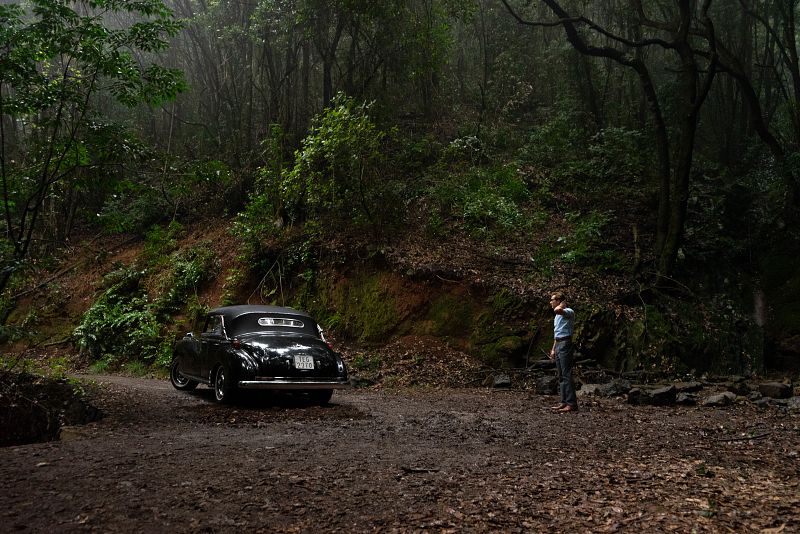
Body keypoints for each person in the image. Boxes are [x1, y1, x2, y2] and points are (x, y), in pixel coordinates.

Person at [548, 291, 577, 413]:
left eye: (553, 299)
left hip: (565, 343)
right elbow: (557, 334)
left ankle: (571, 403)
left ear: (559, 301)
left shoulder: (568, 311)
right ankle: (563, 401)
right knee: (561, 376)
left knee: (566, 374)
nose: (551, 302)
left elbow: (558, 310)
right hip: (559, 343)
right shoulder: (557, 316)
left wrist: (562, 304)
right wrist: (553, 349)